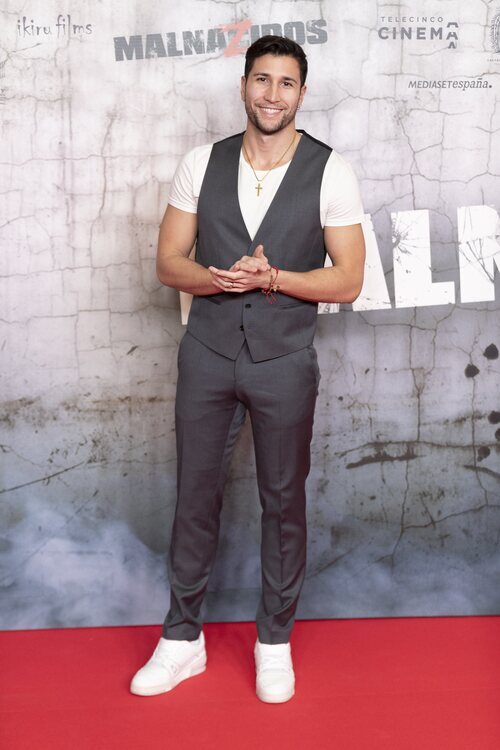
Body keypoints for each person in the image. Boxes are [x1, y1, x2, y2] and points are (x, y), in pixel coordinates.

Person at [130, 34, 365, 703]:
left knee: (282, 502)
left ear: (302, 93)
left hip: (284, 361)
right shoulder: (201, 162)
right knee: (194, 497)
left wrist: (274, 278)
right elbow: (167, 262)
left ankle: (274, 643)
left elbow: (349, 280)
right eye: (262, 79)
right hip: (206, 354)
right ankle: (182, 640)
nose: (272, 94)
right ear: (243, 86)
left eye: (286, 83)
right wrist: (219, 278)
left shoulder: (330, 170)